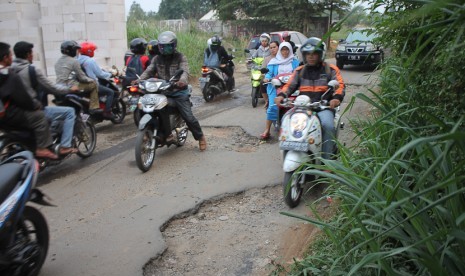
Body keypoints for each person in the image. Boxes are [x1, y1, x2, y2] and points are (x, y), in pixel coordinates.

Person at [275, 37, 345, 160]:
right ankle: (290, 150)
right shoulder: (300, 71)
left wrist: (336, 98)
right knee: (286, 119)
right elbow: (289, 85)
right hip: (302, 107)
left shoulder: (331, 70)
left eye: (314, 54)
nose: (311, 57)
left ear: (320, 55)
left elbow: (340, 85)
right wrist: (281, 95)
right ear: (304, 55)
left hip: (323, 107)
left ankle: (327, 160)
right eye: (308, 54)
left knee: (328, 125)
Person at [140, 31, 207, 151]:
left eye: (168, 46)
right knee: (148, 106)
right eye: (162, 47)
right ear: (159, 47)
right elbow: (149, 71)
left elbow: (185, 71)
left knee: (188, 117)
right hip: (163, 92)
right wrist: (139, 80)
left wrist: (181, 81)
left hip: (178, 92)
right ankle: (164, 134)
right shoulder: (156, 59)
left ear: (174, 45)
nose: (165, 49)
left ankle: (200, 137)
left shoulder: (181, 57)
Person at [11, 41, 78, 155]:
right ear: (28, 54)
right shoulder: (32, 70)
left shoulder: (9, 69)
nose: (32, 55)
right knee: (69, 112)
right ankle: (65, 146)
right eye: (31, 53)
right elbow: (51, 87)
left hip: (14, 112)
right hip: (32, 110)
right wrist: (70, 89)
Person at [0, 42, 58, 159]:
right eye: (10, 56)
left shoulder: (10, 71)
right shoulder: (9, 74)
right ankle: (42, 148)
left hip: (5, 115)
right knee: (40, 117)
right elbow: (22, 98)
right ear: (5, 58)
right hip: (10, 114)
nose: (12, 58)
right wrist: (35, 105)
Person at [261, 42, 300, 140]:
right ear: (280, 50)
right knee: (273, 107)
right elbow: (269, 73)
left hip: (291, 88)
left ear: (290, 50)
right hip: (276, 87)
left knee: (299, 105)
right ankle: (267, 130)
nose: (285, 51)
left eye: (287, 49)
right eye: (283, 49)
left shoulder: (295, 62)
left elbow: (299, 73)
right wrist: (267, 78)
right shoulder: (274, 62)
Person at [55, 40, 101, 114]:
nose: (77, 52)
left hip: (59, 86)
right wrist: (92, 80)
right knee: (93, 84)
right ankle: (94, 107)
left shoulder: (57, 62)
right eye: (76, 49)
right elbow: (82, 77)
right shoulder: (74, 61)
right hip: (72, 86)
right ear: (71, 50)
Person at [78, 41, 115, 119]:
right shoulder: (90, 61)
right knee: (110, 92)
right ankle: (107, 112)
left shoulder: (78, 60)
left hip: (80, 85)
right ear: (89, 51)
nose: (93, 52)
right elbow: (100, 74)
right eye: (93, 50)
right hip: (91, 84)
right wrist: (111, 74)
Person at [261, 41, 280, 108]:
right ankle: (267, 100)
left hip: (282, 79)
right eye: (271, 48)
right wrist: (267, 77)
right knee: (262, 83)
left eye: (274, 47)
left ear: (278, 47)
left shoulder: (283, 58)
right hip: (270, 80)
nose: (272, 49)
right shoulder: (267, 59)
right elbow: (264, 71)